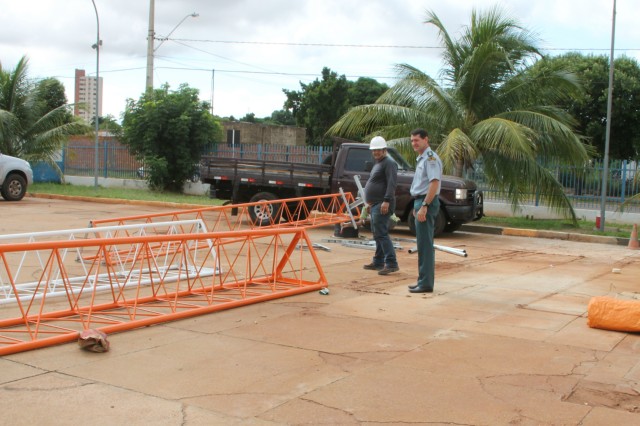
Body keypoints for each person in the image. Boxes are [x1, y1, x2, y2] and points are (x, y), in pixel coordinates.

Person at [408, 128, 442, 293]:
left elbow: (434, 183)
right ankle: (422, 280)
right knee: (422, 244)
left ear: (426, 140)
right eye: (412, 140)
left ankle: (426, 283)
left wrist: (424, 206)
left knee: (426, 245)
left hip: (425, 202)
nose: (414, 143)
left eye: (417, 140)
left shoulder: (430, 159)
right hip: (420, 201)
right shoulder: (422, 159)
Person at [362, 136, 399, 275]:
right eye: (374, 150)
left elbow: (392, 183)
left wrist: (386, 200)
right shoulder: (379, 163)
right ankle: (378, 261)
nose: (375, 153)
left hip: (383, 203)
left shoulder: (389, 163)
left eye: (378, 150)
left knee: (381, 234)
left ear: (384, 150)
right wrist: (369, 203)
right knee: (377, 233)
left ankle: (391, 263)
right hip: (375, 203)